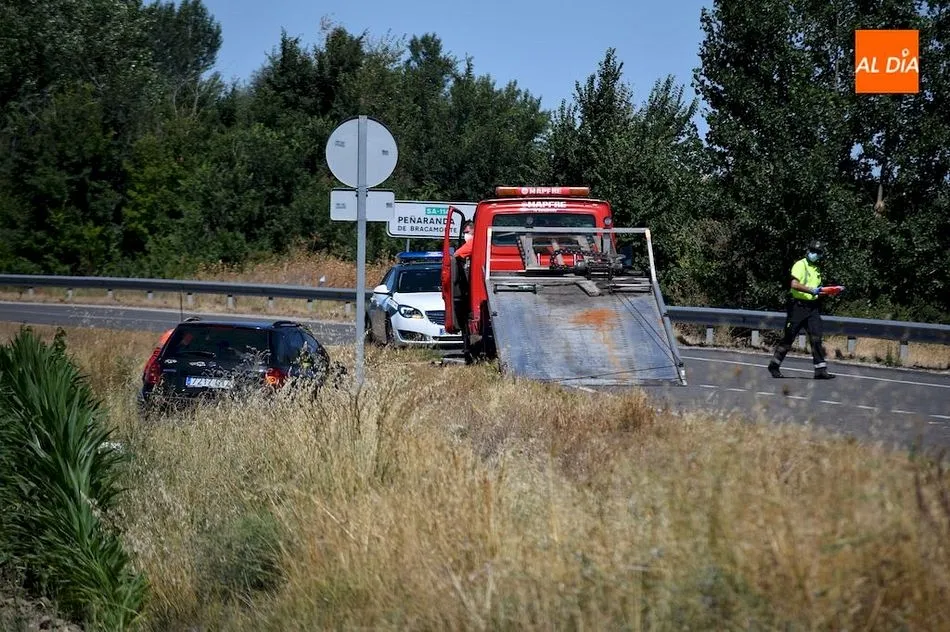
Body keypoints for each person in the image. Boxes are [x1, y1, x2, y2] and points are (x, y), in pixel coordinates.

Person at [767, 240, 836, 379]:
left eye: (817, 252)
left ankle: (820, 370)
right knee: (789, 337)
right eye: (813, 251)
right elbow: (794, 284)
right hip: (798, 307)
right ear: (808, 251)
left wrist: (826, 292)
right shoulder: (800, 265)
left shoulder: (816, 269)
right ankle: (774, 365)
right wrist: (811, 290)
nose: (814, 254)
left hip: (812, 307)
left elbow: (815, 290)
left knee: (816, 337)